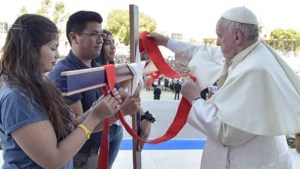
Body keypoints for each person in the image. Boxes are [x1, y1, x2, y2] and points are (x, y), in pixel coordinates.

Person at [147, 6, 300, 169]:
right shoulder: (249, 53)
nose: (218, 42)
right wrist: (166, 42)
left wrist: (195, 99)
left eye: (220, 36)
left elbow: (226, 131)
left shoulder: (255, 71)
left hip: (255, 162)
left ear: (236, 36)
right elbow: (204, 53)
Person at [0, 14, 134, 169]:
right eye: (53, 48)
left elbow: (67, 128)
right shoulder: (17, 98)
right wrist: (95, 116)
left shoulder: (38, 84)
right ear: (30, 49)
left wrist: (94, 110)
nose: (57, 55)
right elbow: (53, 159)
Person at [47, 11, 142, 169]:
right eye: (93, 34)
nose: (100, 40)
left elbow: (123, 95)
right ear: (74, 37)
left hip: (100, 147)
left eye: (101, 35)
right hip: (81, 156)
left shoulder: (98, 68)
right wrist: (121, 112)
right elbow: (76, 131)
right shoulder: (65, 75)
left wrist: (143, 116)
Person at [93, 29, 153, 166]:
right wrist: (144, 116)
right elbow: (124, 94)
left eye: (113, 42)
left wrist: (145, 117)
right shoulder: (97, 71)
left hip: (116, 128)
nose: (113, 46)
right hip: (100, 131)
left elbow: (124, 90)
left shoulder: (113, 69)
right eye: (107, 43)